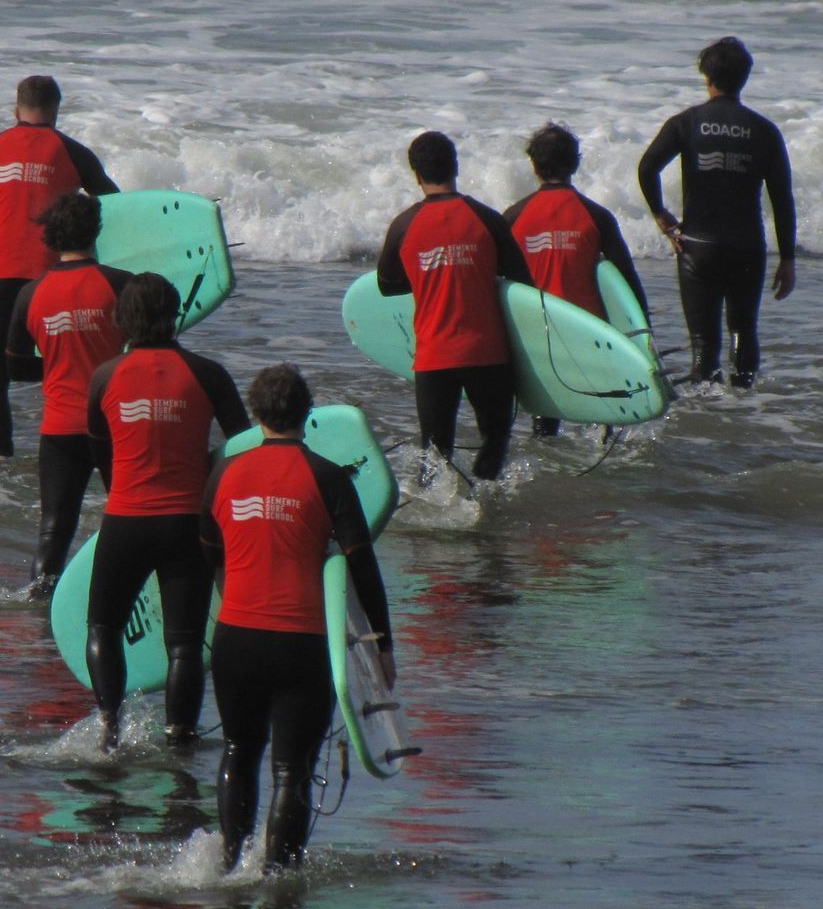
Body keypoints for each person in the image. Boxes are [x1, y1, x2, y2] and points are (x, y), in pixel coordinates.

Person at [200, 363, 392, 875]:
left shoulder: (222, 473)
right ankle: (278, 881)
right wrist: (382, 648)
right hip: (300, 644)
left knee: (238, 752)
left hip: (235, 639)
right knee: (292, 770)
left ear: (256, 413)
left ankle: (227, 866)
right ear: (308, 415)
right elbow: (363, 569)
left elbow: (208, 557)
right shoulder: (328, 478)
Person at [83, 273, 250, 751]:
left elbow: (104, 459)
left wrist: (128, 495)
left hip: (126, 520)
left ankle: (110, 731)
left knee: (103, 627)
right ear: (175, 313)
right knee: (184, 643)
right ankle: (180, 737)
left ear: (123, 319)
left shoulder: (104, 377)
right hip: (189, 524)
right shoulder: (208, 373)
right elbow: (242, 448)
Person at [0, 75, 121, 457]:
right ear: (56, 108)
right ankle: (87, 445)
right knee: (74, 367)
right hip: (54, 280)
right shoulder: (70, 150)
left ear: (16, 108)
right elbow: (113, 205)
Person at [636, 37, 796, 389]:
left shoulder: (687, 122)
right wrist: (787, 258)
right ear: (745, 77)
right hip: (747, 246)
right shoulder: (765, 130)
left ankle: (707, 421)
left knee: (704, 346)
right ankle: (743, 408)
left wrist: (661, 216)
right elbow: (782, 197)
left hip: (698, 247)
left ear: (705, 75)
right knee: (743, 330)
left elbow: (647, 168)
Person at [376, 130, 531, 482]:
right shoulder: (488, 219)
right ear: (456, 167)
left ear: (416, 175)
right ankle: (486, 512)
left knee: (434, 452)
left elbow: (387, 285)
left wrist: (427, 274)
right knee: (495, 441)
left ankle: (437, 524)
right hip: (488, 355)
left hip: (434, 358)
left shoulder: (403, 226)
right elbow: (522, 282)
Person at [4, 194, 133, 595]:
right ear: (95, 231)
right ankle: (122, 598)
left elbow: (13, 365)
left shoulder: (30, 294)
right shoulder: (121, 284)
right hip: (114, 424)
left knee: (54, 527)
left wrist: (57, 368)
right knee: (128, 519)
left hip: (59, 428)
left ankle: (39, 600)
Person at [503, 122, 650, 436]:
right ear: (576, 163)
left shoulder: (514, 216)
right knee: (607, 410)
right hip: (590, 332)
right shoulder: (595, 215)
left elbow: (497, 281)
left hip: (536, 332)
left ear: (534, 165)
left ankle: (548, 463)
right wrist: (642, 331)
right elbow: (625, 277)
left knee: (546, 415)